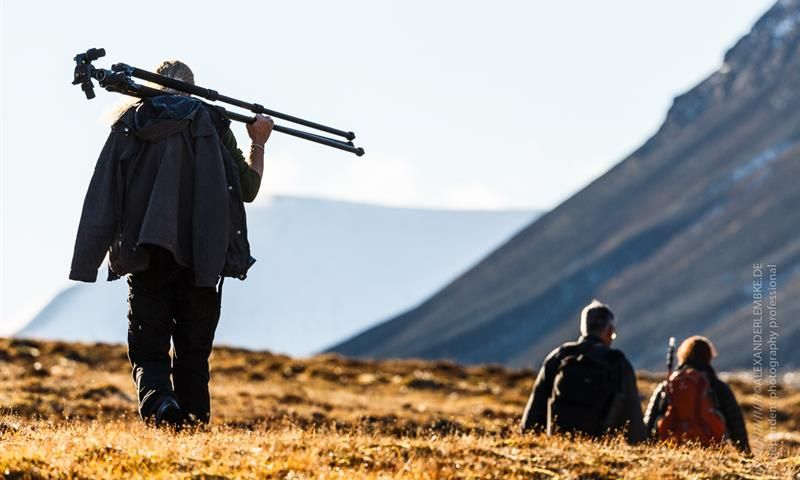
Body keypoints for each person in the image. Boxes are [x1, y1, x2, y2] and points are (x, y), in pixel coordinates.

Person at [69, 60, 274, 427]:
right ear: (193, 88)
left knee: (149, 351)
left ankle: (162, 407)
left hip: (147, 254)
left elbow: (104, 192)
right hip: (203, 257)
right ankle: (193, 425)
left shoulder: (131, 123)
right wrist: (257, 142)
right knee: (194, 354)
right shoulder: (213, 124)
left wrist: (89, 258)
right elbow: (248, 189)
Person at [520, 300, 647, 444]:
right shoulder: (617, 363)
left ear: (583, 328)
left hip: (560, 444)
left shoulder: (559, 356)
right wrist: (641, 444)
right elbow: (633, 413)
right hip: (601, 449)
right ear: (609, 331)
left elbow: (535, 408)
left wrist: (528, 440)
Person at [643, 336, 750, 452]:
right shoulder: (717, 386)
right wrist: (744, 451)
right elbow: (736, 423)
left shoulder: (668, 385)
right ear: (708, 357)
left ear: (682, 356)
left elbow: (648, 424)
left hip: (671, 448)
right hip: (710, 449)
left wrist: (646, 448)